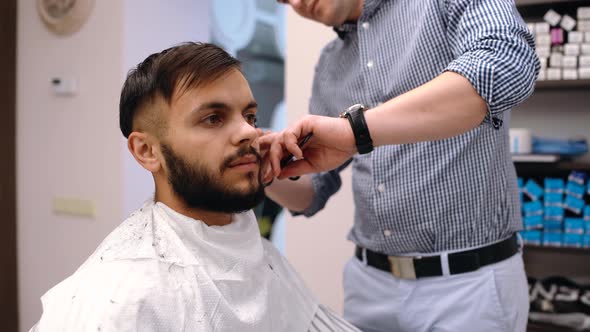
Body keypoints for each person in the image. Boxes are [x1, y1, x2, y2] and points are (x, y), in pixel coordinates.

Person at [30, 42, 360, 332]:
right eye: (213, 118)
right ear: (147, 151)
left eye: (250, 116)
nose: (249, 133)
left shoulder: (247, 245)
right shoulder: (119, 294)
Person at [262, 0, 540, 331]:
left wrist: (357, 132)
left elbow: (506, 62)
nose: (296, 2)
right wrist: (264, 170)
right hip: (370, 284)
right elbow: (313, 190)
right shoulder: (330, 65)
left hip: (468, 288)